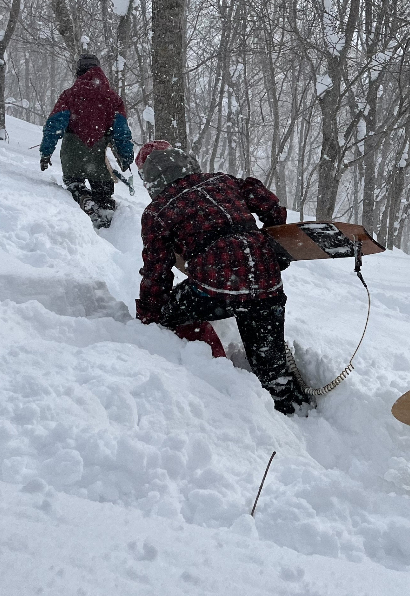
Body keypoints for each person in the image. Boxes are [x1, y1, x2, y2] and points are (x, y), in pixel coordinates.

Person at [133, 141, 310, 415]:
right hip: (265, 277)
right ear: (185, 161)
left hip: (214, 287)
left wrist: (147, 315)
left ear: (150, 179)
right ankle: (292, 407)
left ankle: (212, 365)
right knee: (270, 362)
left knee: (169, 315)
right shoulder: (222, 180)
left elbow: (156, 272)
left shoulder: (158, 211)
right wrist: (273, 241)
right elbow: (267, 202)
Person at [38, 53, 134, 229]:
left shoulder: (70, 95)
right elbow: (121, 131)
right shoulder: (113, 99)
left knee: (74, 182)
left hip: (73, 152)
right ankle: (105, 214)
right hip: (97, 156)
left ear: (79, 72)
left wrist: (46, 152)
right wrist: (126, 156)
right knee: (104, 191)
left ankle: (82, 197)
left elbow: (54, 125)